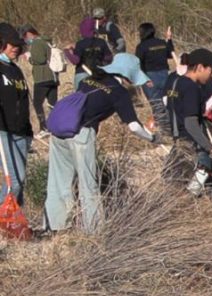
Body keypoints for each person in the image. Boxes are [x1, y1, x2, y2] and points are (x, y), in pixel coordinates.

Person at [43, 53, 159, 233]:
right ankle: (94, 232)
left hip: (59, 131)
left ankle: (54, 226)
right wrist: (153, 138)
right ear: (128, 75)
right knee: (88, 184)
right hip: (81, 135)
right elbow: (134, 127)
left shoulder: (89, 80)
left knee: (59, 181)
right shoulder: (119, 92)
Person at [163, 49, 212, 195]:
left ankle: (192, 202)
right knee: (206, 174)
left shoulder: (175, 81)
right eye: (210, 70)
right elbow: (191, 123)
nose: (211, 75)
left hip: (178, 138)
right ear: (200, 67)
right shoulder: (191, 87)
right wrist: (210, 148)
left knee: (177, 178)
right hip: (193, 141)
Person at [0, 23, 32, 207]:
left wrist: (28, 131)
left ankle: (14, 225)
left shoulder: (15, 69)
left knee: (19, 182)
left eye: (18, 44)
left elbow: (23, 100)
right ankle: (4, 221)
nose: (16, 48)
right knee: (15, 180)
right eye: (11, 44)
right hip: (3, 131)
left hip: (21, 132)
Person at [20, 25, 57, 138]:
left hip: (42, 78)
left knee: (37, 103)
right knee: (52, 104)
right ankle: (55, 126)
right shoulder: (47, 41)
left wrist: (29, 58)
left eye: (25, 37)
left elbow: (39, 59)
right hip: (53, 76)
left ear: (29, 34)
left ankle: (44, 128)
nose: (25, 40)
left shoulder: (36, 43)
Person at [135, 23, 174, 123]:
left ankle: (164, 128)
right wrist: (169, 39)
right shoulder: (162, 42)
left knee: (156, 105)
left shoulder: (141, 46)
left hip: (150, 77)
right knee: (167, 102)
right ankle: (172, 126)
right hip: (165, 75)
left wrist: (145, 79)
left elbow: (138, 64)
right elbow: (170, 54)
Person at [69, 18, 112, 87]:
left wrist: (66, 51)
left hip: (82, 73)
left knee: (82, 96)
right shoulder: (101, 42)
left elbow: (75, 61)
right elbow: (109, 58)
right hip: (98, 74)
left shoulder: (80, 44)